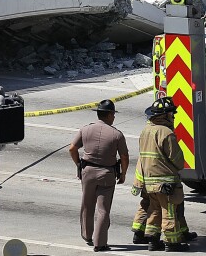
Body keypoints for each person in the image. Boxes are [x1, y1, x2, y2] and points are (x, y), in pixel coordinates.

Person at [69, 99, 129, 252]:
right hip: (107, 174)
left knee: (87, 205)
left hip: (87, 172)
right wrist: (122, 174)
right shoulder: (117, 134)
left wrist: (78, 164)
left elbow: (72, 148)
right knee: (103, 210)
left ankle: (87, 235)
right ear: (109, 115)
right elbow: (124, 157)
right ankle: (100, 243)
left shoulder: (85, 129)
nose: (114, 117)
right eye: (113, 114)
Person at [134, 97, 190, 252]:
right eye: (172, 114)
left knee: (154, 210)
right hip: (166, 183)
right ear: (165, 115)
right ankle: (172, 243)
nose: (173, 116)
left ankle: (152, 241)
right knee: (169, 213)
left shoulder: (145, 131)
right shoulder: (166, 133)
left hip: (149, 182)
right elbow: (177, 160)